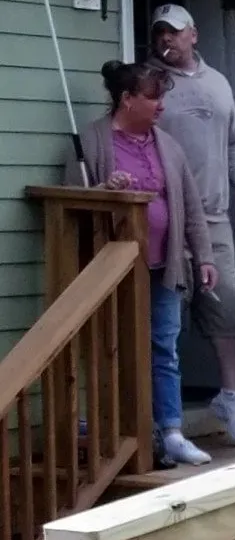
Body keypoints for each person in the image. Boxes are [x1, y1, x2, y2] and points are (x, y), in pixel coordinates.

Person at [66, 60, 218, 468]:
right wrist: (104, 190)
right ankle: (121, 430)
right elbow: (72, 203)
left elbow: (190, 207)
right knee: (113, 349)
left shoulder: (167, 145)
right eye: (153, 97)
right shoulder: (93, 142)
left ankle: (171, 433)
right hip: (112, 267)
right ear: (126, 99)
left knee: (164, 348)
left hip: (162, 266)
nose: (161, 106)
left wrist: (203, 255)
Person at [148, 4, 235, 448]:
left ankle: (232, 400)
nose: (167, 40)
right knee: (167, 320)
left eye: (174, 33)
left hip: (215, 216)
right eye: (160, 33)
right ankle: (165, 419)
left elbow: (234, 141)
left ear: (193, 34)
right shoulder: (151, 84)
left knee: (222, 310)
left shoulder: (218, 83)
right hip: (169, 219)